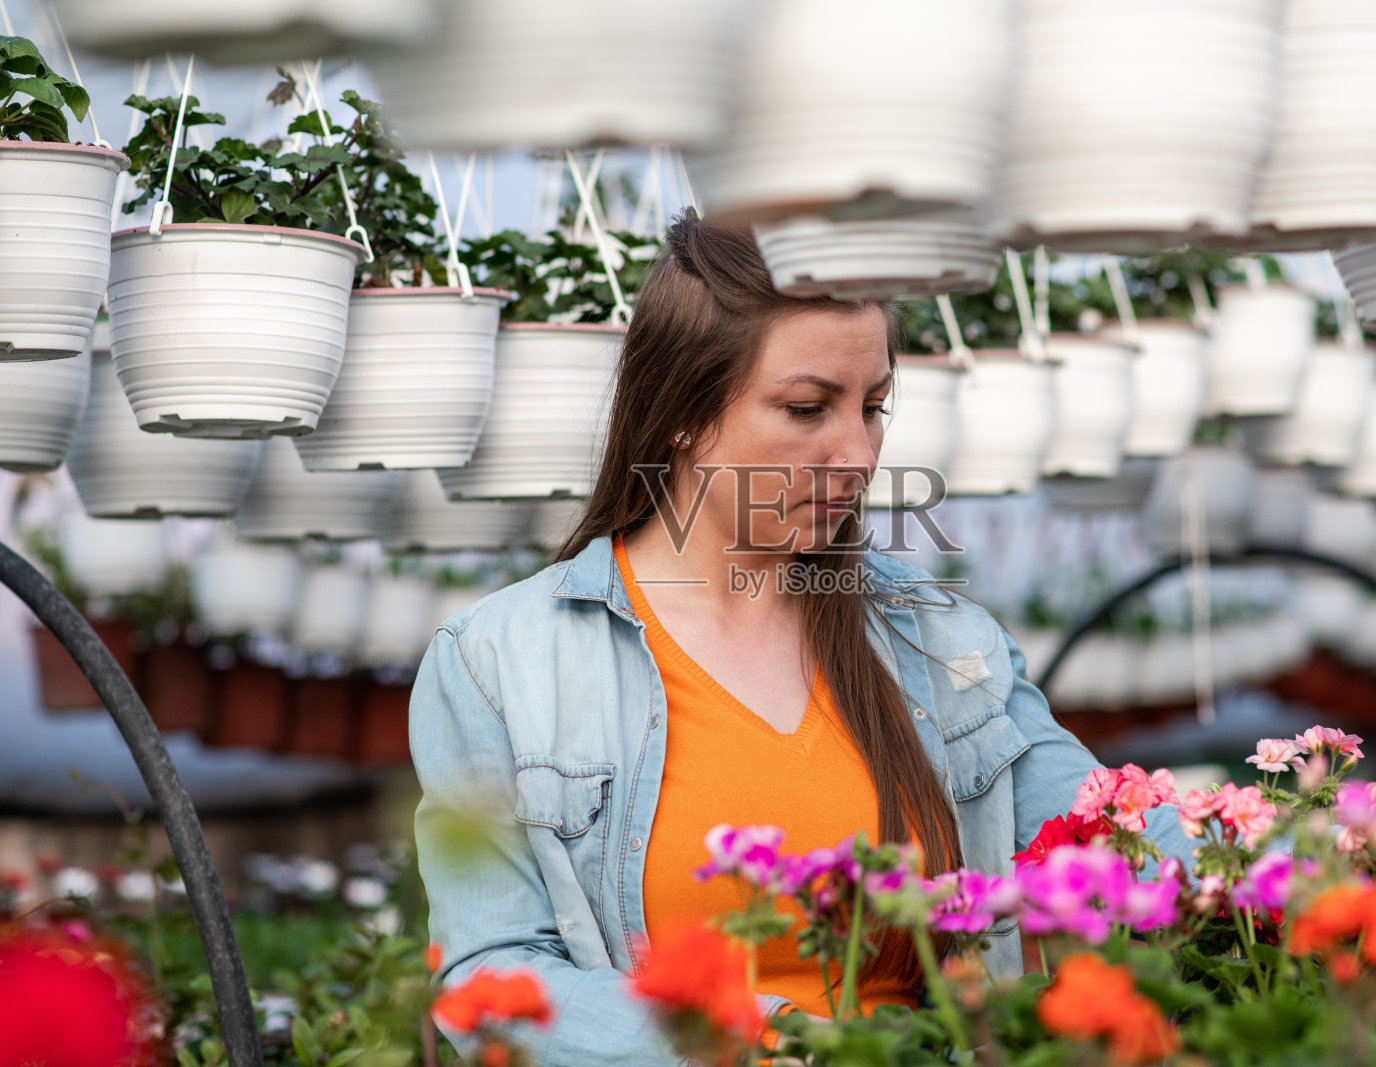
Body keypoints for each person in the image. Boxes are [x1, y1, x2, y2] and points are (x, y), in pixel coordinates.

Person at [410, 211, 1189, 1066]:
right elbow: (493, 971)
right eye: (807, 407)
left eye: (874, 406)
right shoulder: (499, 663)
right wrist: (758, 1041)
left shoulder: (942, 638)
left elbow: (1114, 834)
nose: (857, 453)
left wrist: (1290, 866)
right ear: (682, 412)